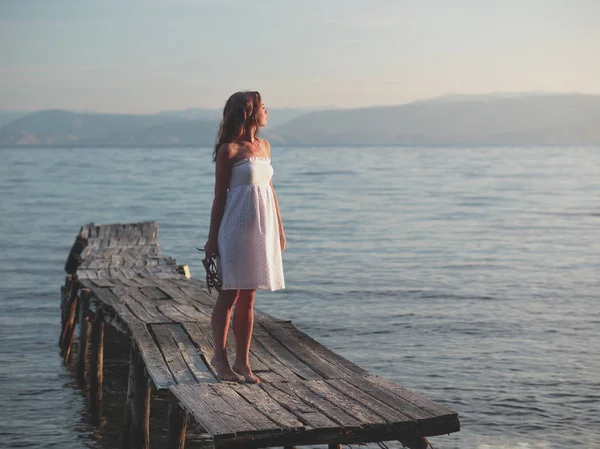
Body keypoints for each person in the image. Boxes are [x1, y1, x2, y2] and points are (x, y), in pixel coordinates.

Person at [203, 91, 285, 383]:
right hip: (235, 229)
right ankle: (220, 359)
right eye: (263, 107)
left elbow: (270, 189)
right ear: (249, 112)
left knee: (249, 296)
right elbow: (219, 198)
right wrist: (212, 239)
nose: (267, 111)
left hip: (262, 230)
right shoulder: (229, 150)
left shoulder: (265, 146)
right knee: (230, 294)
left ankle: (242, 362)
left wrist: (280, 229)